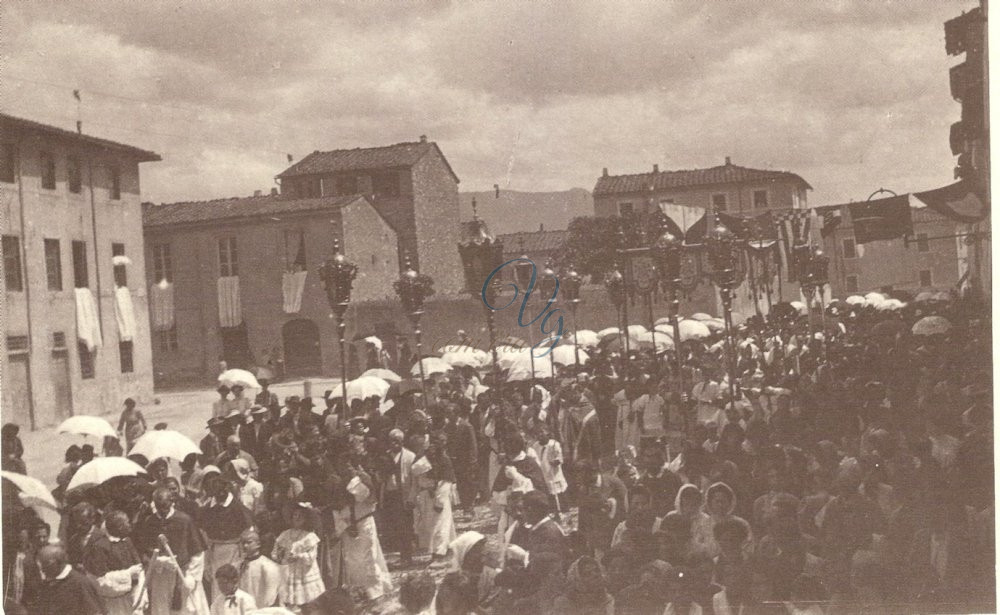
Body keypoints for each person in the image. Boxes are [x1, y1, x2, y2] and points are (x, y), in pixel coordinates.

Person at [134, 487, 210, 615]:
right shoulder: (150, 522)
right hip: (161, 576)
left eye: (165, 505)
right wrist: (157, 561)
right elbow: (144, 551)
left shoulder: (185, 520)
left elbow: (197, 551)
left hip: (184, 574)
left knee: (187, 610)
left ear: (172, 501)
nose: (162, 510)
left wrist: (191, 576)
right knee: (161, 609)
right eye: (159, 506)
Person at [82, 510, 145, 615]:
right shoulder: (99, 547)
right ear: (119, 527)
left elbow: (139, 568)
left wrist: (139, 595)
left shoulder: (127, 541)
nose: (130, 525)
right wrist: (128, 574)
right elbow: (101, 580)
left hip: (134, 599)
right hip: (114, 604)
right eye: (127, 522)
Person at [199, 470, 254, 591]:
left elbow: (248, 529)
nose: (220, 494)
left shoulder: (237, 507)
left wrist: (244, 553)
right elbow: (204, 533)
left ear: (227, 488)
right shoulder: (207, 509)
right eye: (216, 492)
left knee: (233, 582)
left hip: (234, 550)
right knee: (218, 585)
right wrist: (207, 560)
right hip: (214, 551)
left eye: (223, 491)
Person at [273, 503, 325, 609]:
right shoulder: (285, 534)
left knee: (308, 602)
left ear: (306, 519)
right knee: (290, 603)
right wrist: (281, 555)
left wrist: (299, 556)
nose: (297, 518)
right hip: (289, 571)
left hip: (305, 571)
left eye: (300, 516)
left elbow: (311, 557)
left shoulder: (309, 536)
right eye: (295, 515)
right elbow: (275, 553)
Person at [28, 544, 104, 615]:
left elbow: (96, 612)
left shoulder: (80, 583)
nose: (41, 572)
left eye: (42, 568)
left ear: (53, 564)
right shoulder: (49, 582)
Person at [380, 429, 417, 564]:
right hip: (391, 495)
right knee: (395, 526)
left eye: (398, 441)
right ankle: (402, 555)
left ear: (402, 442)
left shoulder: (410, 456)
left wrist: (412, 498)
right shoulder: (385, 456)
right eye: (392, 441)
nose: (395, 444)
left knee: (406, 527)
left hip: (404, 495)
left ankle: (407, 556)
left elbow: (415, 481)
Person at [237, 529, 280, 609]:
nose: (245, 546)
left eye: (249, 542)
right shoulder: (240, 565)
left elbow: (271, 592)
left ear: (258, 544)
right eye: (243, 543)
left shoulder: (266, 565)